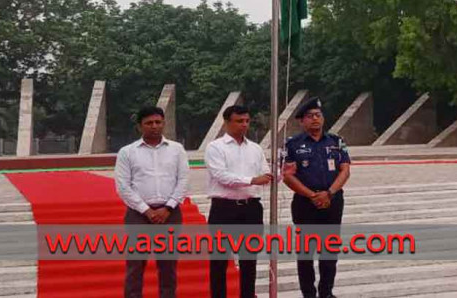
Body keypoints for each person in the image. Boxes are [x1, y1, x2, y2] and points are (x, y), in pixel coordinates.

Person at [114, 106, 189, 298]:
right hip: (138, 215)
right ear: (140, 126)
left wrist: (169, 207)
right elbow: (123, 186)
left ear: (164, 123)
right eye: (149, 123)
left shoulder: (177, 150)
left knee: (168, 265)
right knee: (136, 264)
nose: (154, 126)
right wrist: (146, 210)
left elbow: (183, 180)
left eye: (158, 122)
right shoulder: (127, 152)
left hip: (170, 214)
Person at [283, 97, 351, 298]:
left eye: (318, 115)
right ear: (302, 121)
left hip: (332, 201)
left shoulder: (336, 141)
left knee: (329, 251)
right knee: (306, 254)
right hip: (305, 203)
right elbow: (287, 175)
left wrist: (329, 193)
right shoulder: (292, 145)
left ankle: (326, 292)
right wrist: (313, 195)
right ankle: (309, 294)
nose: (315, 119)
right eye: (310, 116)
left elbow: (345, 170)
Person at [205, 104, 273, 298]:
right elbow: (222, 176)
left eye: (247, 121)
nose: (244, 125)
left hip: (251, 208)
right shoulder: (215, 147)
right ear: (226, 123)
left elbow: (265, 173)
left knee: (249, 260)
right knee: (219, 261)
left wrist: (279, 174)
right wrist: (252, 180)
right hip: (223, 208)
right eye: (239, 121)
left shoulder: (255, 148)